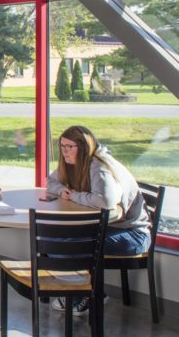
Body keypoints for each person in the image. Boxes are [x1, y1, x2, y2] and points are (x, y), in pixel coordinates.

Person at [47, 125, 151, 314]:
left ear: (84, 147)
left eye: (70, 147)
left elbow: (105, 201)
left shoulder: (100, 166)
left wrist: (75, 196)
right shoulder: (74, 163)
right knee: (56, 241)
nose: (64, 152)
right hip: (111, 227)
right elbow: (51, 182)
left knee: (73, 246)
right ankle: (89, 292)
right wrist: (63, 190)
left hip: (133, 234)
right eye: (62, 146)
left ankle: (84, 295)